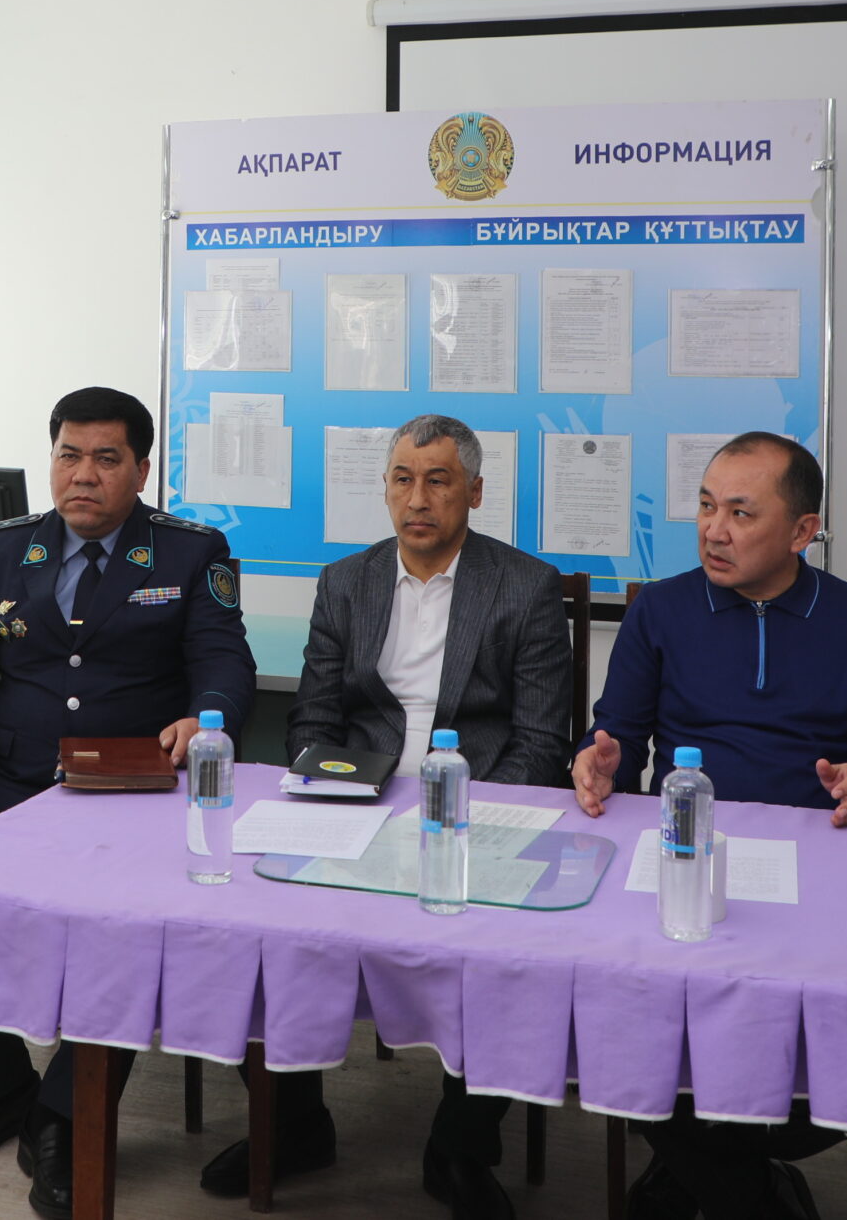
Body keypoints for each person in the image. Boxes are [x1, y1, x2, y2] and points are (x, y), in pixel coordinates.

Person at [195, 414, 572, 1220]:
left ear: (475, 491)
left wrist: (464, 822)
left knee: (503, 955)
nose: (418, 498)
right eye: (403, 479)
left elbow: (542, 743)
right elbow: (313, 718)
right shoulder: (347, 582)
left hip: (474, 808)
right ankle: (295, 1123)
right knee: (259, 924)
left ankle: (459, 1146)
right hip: (356, 802)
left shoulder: (526, 587)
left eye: (438, 480)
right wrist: (324, 793)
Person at [0, 386, 257, 1220]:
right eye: (69, 454)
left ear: (141, 469)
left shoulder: (191, 552)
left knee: (125, 921)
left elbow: (224, 661)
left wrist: (206, 721)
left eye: (105, 458)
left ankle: (64, 1115)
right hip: (16, 786)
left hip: (136, 789)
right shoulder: (0, 550)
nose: (83, 474)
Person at [572, 432, 847, 1220]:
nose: (713, 529)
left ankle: (698, 1170)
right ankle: (749, 1190)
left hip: (822, 876)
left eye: (741, 512)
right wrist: (601, 761)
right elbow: (615, 739)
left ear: (803, 530)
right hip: (685, 862)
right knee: (622, 1013)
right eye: (705, 506)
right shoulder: (661, 609)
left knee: (842, 1036)